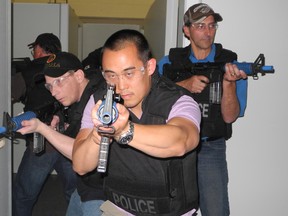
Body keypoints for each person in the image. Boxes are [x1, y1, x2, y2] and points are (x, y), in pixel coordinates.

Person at [72, 29, 202, 216]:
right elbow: (80, 165)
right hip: (118, 209)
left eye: (129, 74)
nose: (120, 86)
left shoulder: (178, 100)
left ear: (149, 67)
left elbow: (181, 141)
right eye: (111, 75)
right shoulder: (98, 101)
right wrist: (98, 134)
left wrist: (124, 130)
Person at [157, 3, 248, 216]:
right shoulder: (169, 62)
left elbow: (230, 116)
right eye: (200, 26)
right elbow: (150, 99)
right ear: (186, 30)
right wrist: (183, 86)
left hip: (210, 147)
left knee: (215, 211)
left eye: (212, 26)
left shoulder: (229, 64)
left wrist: (228, 84)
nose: (208, 32)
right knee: (169, 210)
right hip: (172, 144)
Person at [17, 51, 107, 215]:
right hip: (84, 188)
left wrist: (41, 128)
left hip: (102, 195)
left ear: (79, 76)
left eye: (58, 82)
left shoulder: (98, 102)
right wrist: (60, 117)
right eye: (49, 85)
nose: (53, 92)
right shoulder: (81, 95)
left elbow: (81, 153)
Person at [12, 33, 78, 216]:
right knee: (75, 193)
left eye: (35, 49)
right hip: (70, 141)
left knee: (23, 195)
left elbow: (6, 94)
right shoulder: (71, 66)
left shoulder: (28, 72)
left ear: (39, 49)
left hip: (43, 144)